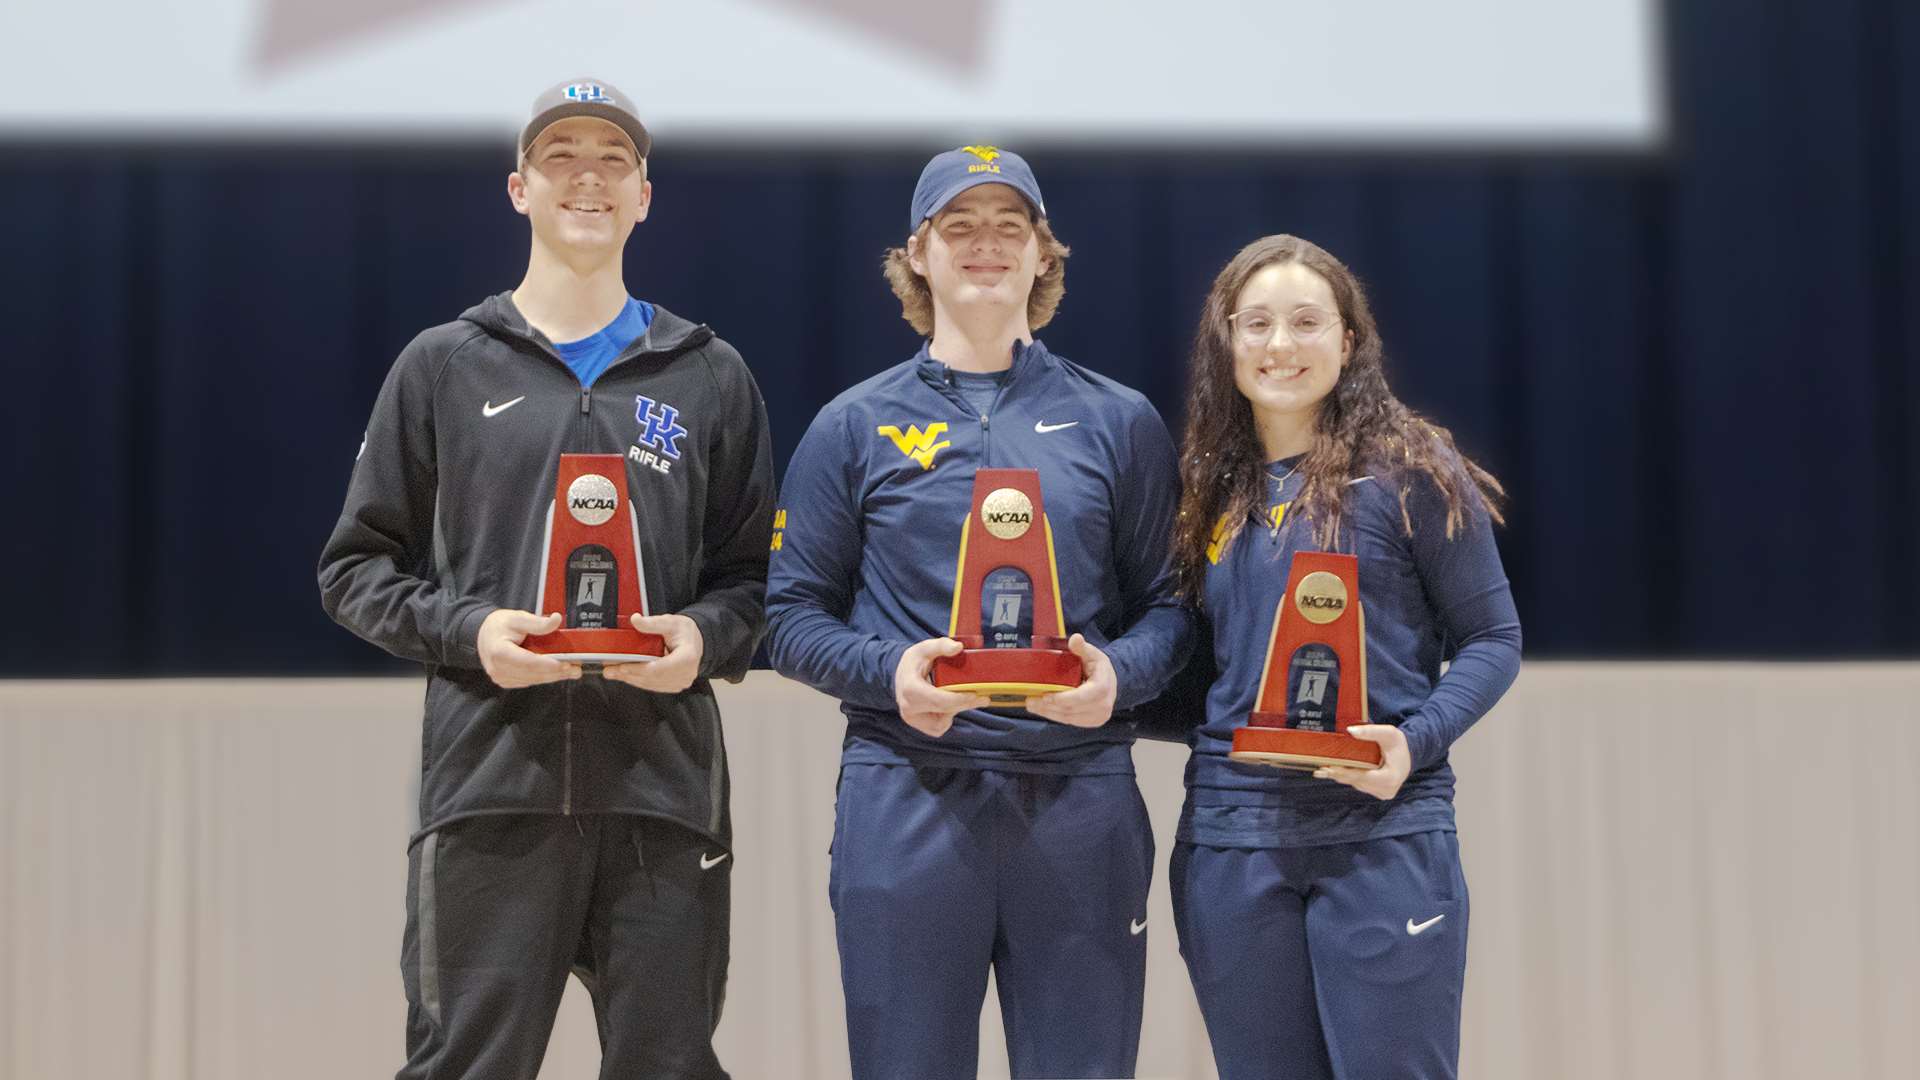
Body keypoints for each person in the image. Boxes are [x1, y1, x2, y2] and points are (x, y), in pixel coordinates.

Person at [318, 78, 772, 1080]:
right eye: (561, 155)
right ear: (517, 186)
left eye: (612, 158)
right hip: (489, 789)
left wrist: (700, 639)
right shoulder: (442, 366)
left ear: (644, 196)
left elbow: (757, 585)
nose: (586, 177)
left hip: (662, 791)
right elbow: (354, 570)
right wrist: (472, 633)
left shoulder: (709, 375)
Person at [764, 145, 1190, 1080]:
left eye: (1011, 226)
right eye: (959, 226)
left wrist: (1115, 677)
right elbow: (788, 615)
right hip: (906, 791)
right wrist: (889, 673)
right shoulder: (852, 425)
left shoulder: (1120, 421)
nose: (985, 245)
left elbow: (1170, 611)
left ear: (1046, 254)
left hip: (1080, 794)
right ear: (918, 252)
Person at [1167, 234, 1522, 1079]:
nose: (1279, 346)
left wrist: (1417, 740)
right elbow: (1199, 665)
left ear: (1348, 341)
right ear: (1227, 340)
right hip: (1231, 838)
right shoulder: (1207, 483)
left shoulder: (1412, 471)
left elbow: (1493, 639)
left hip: (1381, 831)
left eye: (1304, 322)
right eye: (1255, 324)